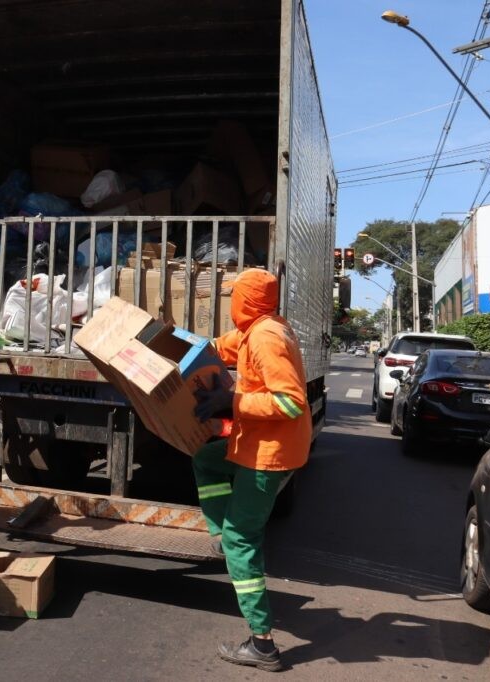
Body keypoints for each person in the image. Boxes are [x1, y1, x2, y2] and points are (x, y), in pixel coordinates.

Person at [192, 268, 311, 672]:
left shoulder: (266, 337)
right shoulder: (256, 329)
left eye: (234, 296)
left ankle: (262, 643)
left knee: (243, 540)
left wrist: (232, 403)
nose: (230, 303)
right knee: (205, 459)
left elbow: (292, 402)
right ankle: (220, 535)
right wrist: (174, 344)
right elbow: (218, 347)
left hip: (268, 454)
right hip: (255, 443)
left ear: (248, 300)